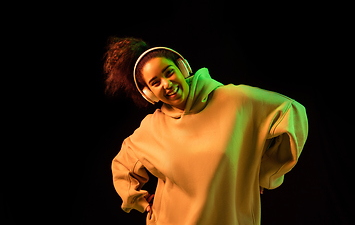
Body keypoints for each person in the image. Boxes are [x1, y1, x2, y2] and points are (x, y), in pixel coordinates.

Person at [104, 37, 308, 225]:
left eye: (169, 72)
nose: (167, 84)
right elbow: (122, 165)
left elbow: (291, 113)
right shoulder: (151, 129)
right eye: (155, 82)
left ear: (182, 68)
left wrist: (266, 174)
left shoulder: (235, 101)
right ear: (148, 92)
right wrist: (139, 201)